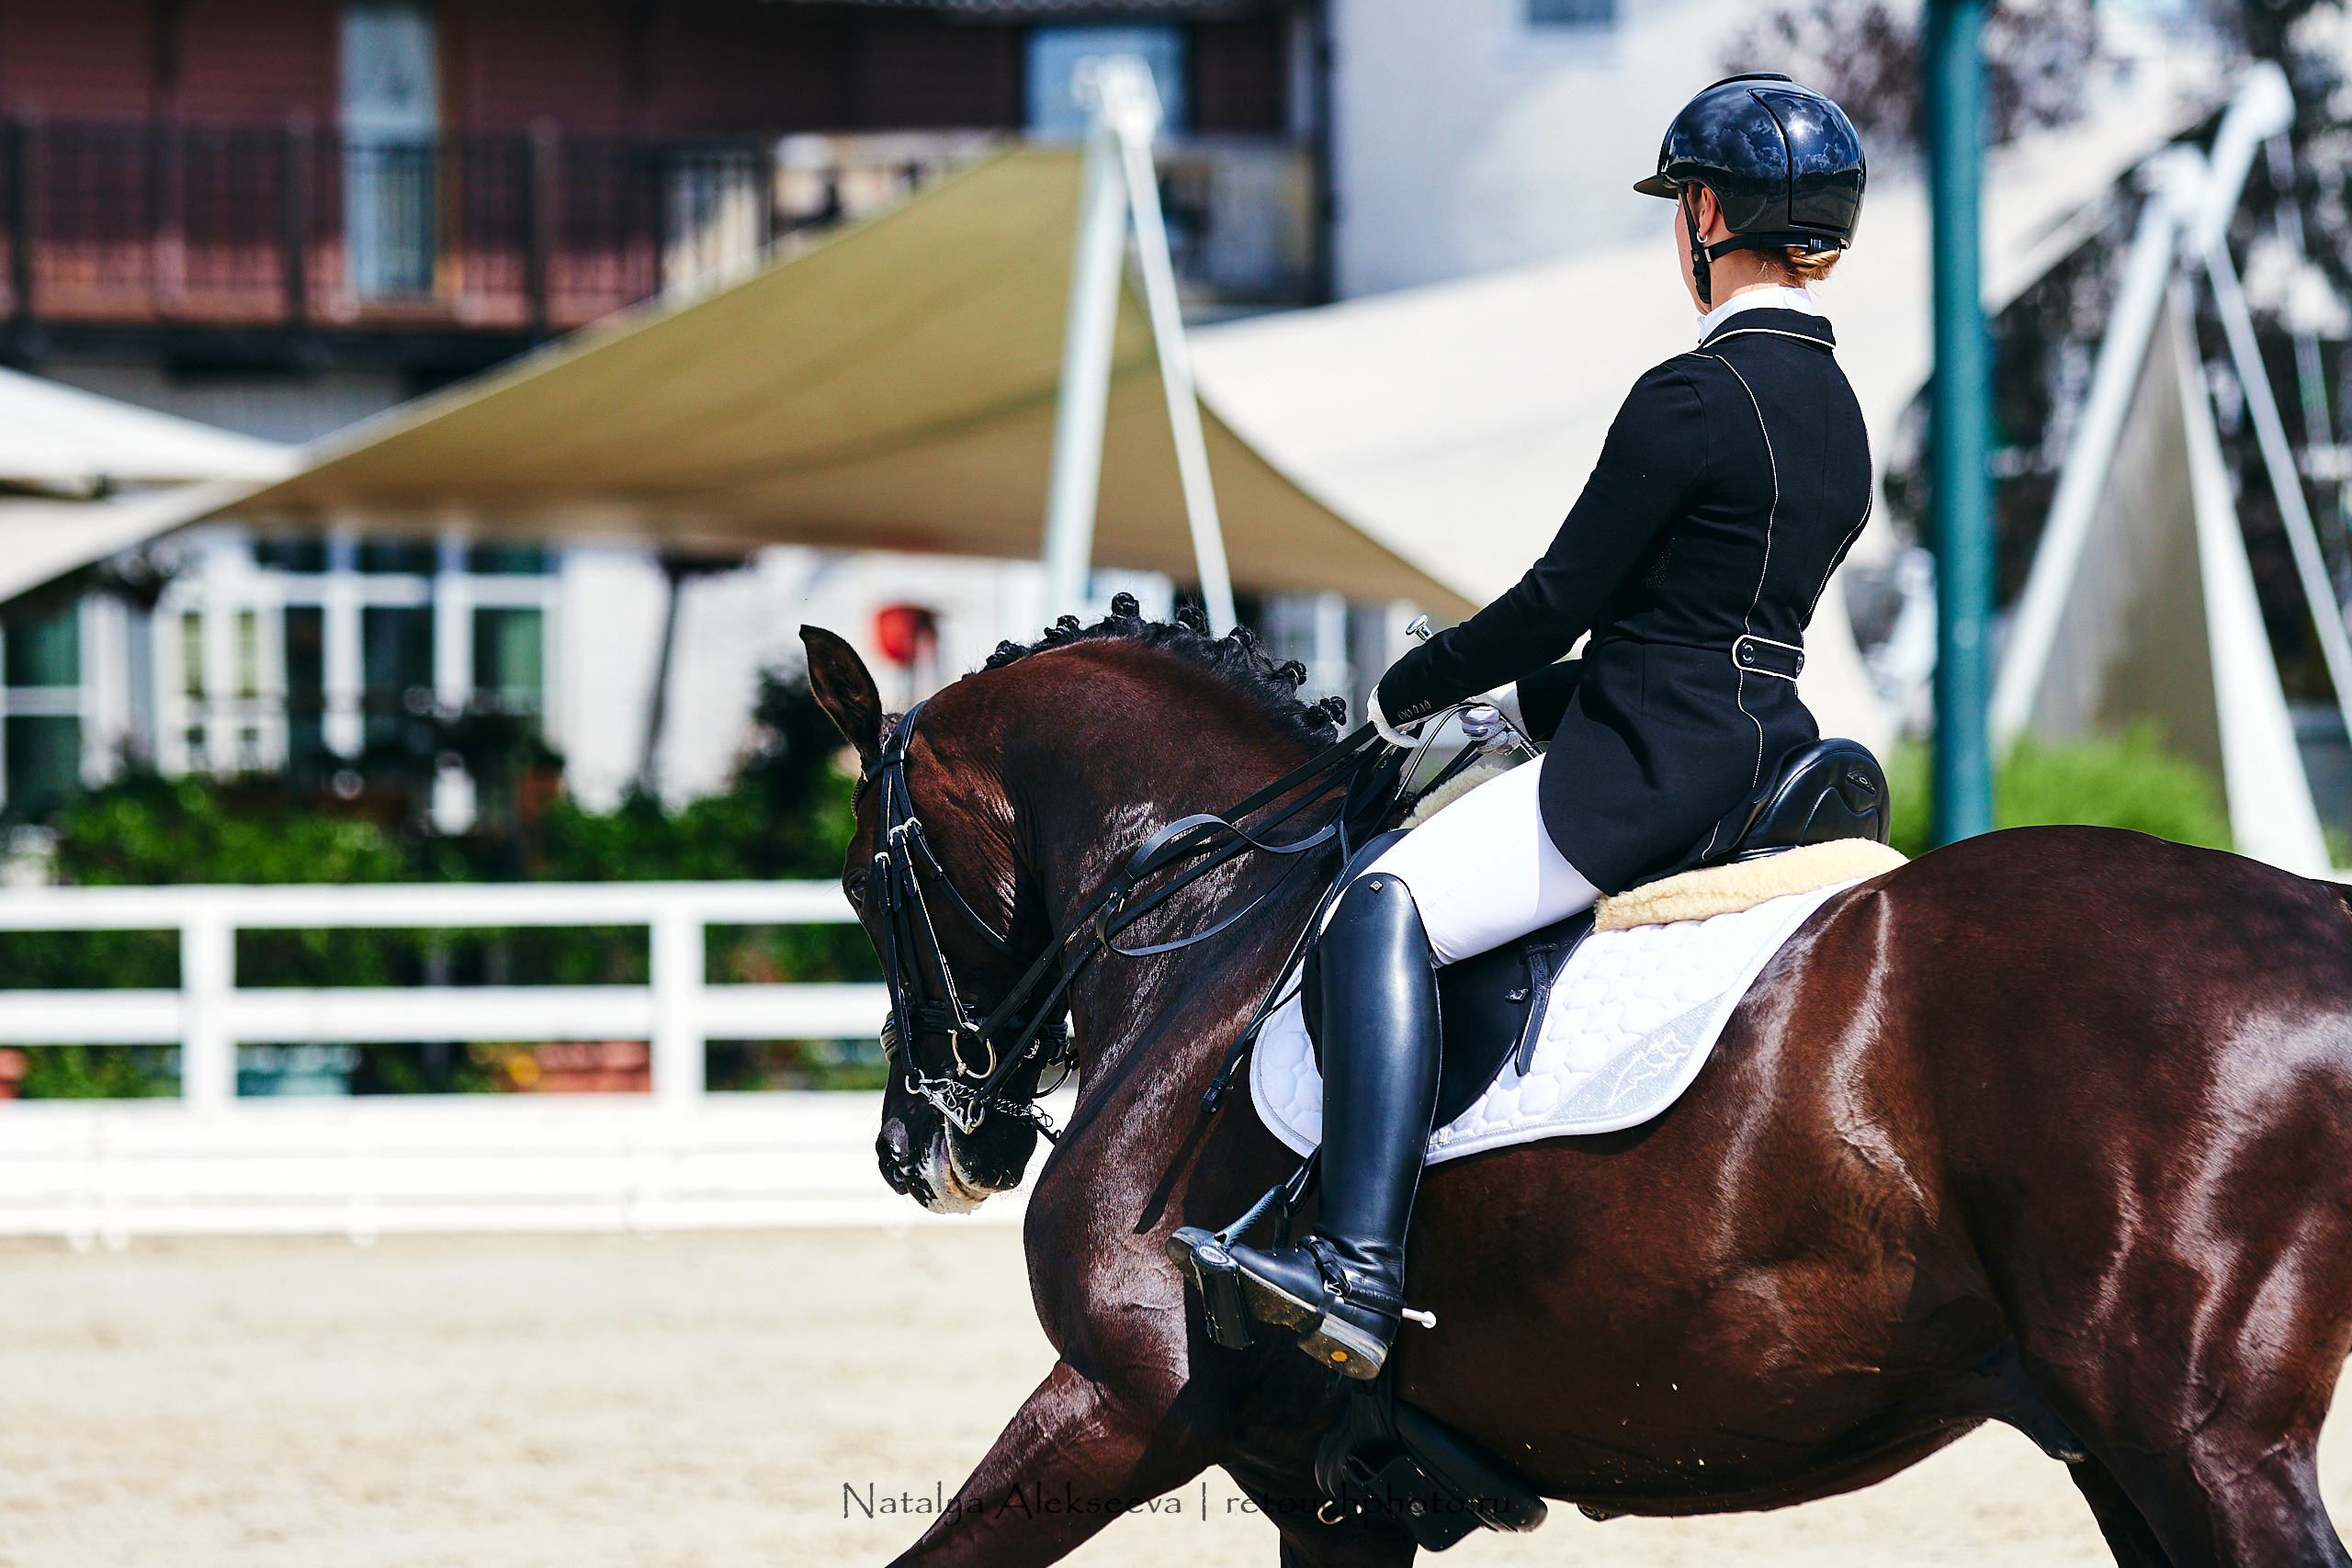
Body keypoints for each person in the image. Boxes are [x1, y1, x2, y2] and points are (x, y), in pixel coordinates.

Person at [1175, 73, 1874, 1379]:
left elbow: (1563, 602)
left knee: (1380, 906)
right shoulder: (1840, 413)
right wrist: (1509, 712)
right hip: (1762, 748)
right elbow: (1698, 627)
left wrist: (1413, 687)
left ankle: (1355, 1268)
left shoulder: (1692, 395)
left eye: (1685, 205)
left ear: (1707, 216)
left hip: (1647, 774)